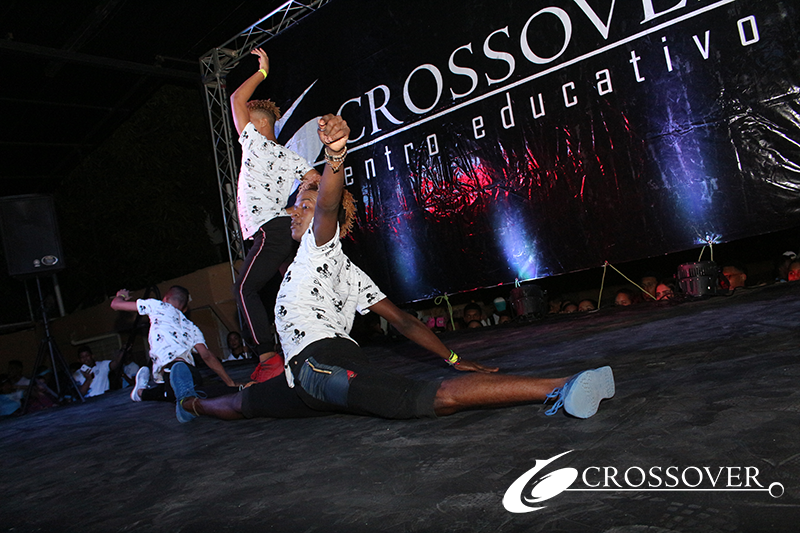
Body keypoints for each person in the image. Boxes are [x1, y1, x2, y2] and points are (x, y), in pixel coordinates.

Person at [173, 114, 615, 423]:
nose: (295, 209)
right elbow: (403, 321)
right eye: (296, 203)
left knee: (428, 397)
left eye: (303, 205)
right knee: (243, 405)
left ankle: (565, 383)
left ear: (331, 224)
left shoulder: (318, 246)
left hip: (321, 365)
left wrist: (335, 157)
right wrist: (454, 357)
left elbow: (327, 204)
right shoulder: (348, 271)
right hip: (302, 379)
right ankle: (190, 404)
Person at [230, 47, 320, 357]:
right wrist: (302, 204)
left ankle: (266, 355)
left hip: (272, 230)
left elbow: (236, 99)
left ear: (260, 125)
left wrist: (263, 72)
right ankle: (310, 339)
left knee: (244, 289)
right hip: (281, 229)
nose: (241, 125)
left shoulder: (255, 143)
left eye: (247, 120)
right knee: (291, 286)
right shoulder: (290, 157)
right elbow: (316, 179)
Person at [110, 286, 240, 408]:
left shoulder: (158, 305)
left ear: (165, 298)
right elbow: (207, 356)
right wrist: (230, 383)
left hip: (173, 370)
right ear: (184, 309)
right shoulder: (192, 327)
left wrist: (121, 295)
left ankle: (141, 392)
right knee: (175, 391)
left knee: (175, 392)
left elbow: (115, 304)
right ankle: (141, 392)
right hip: (192, 374)